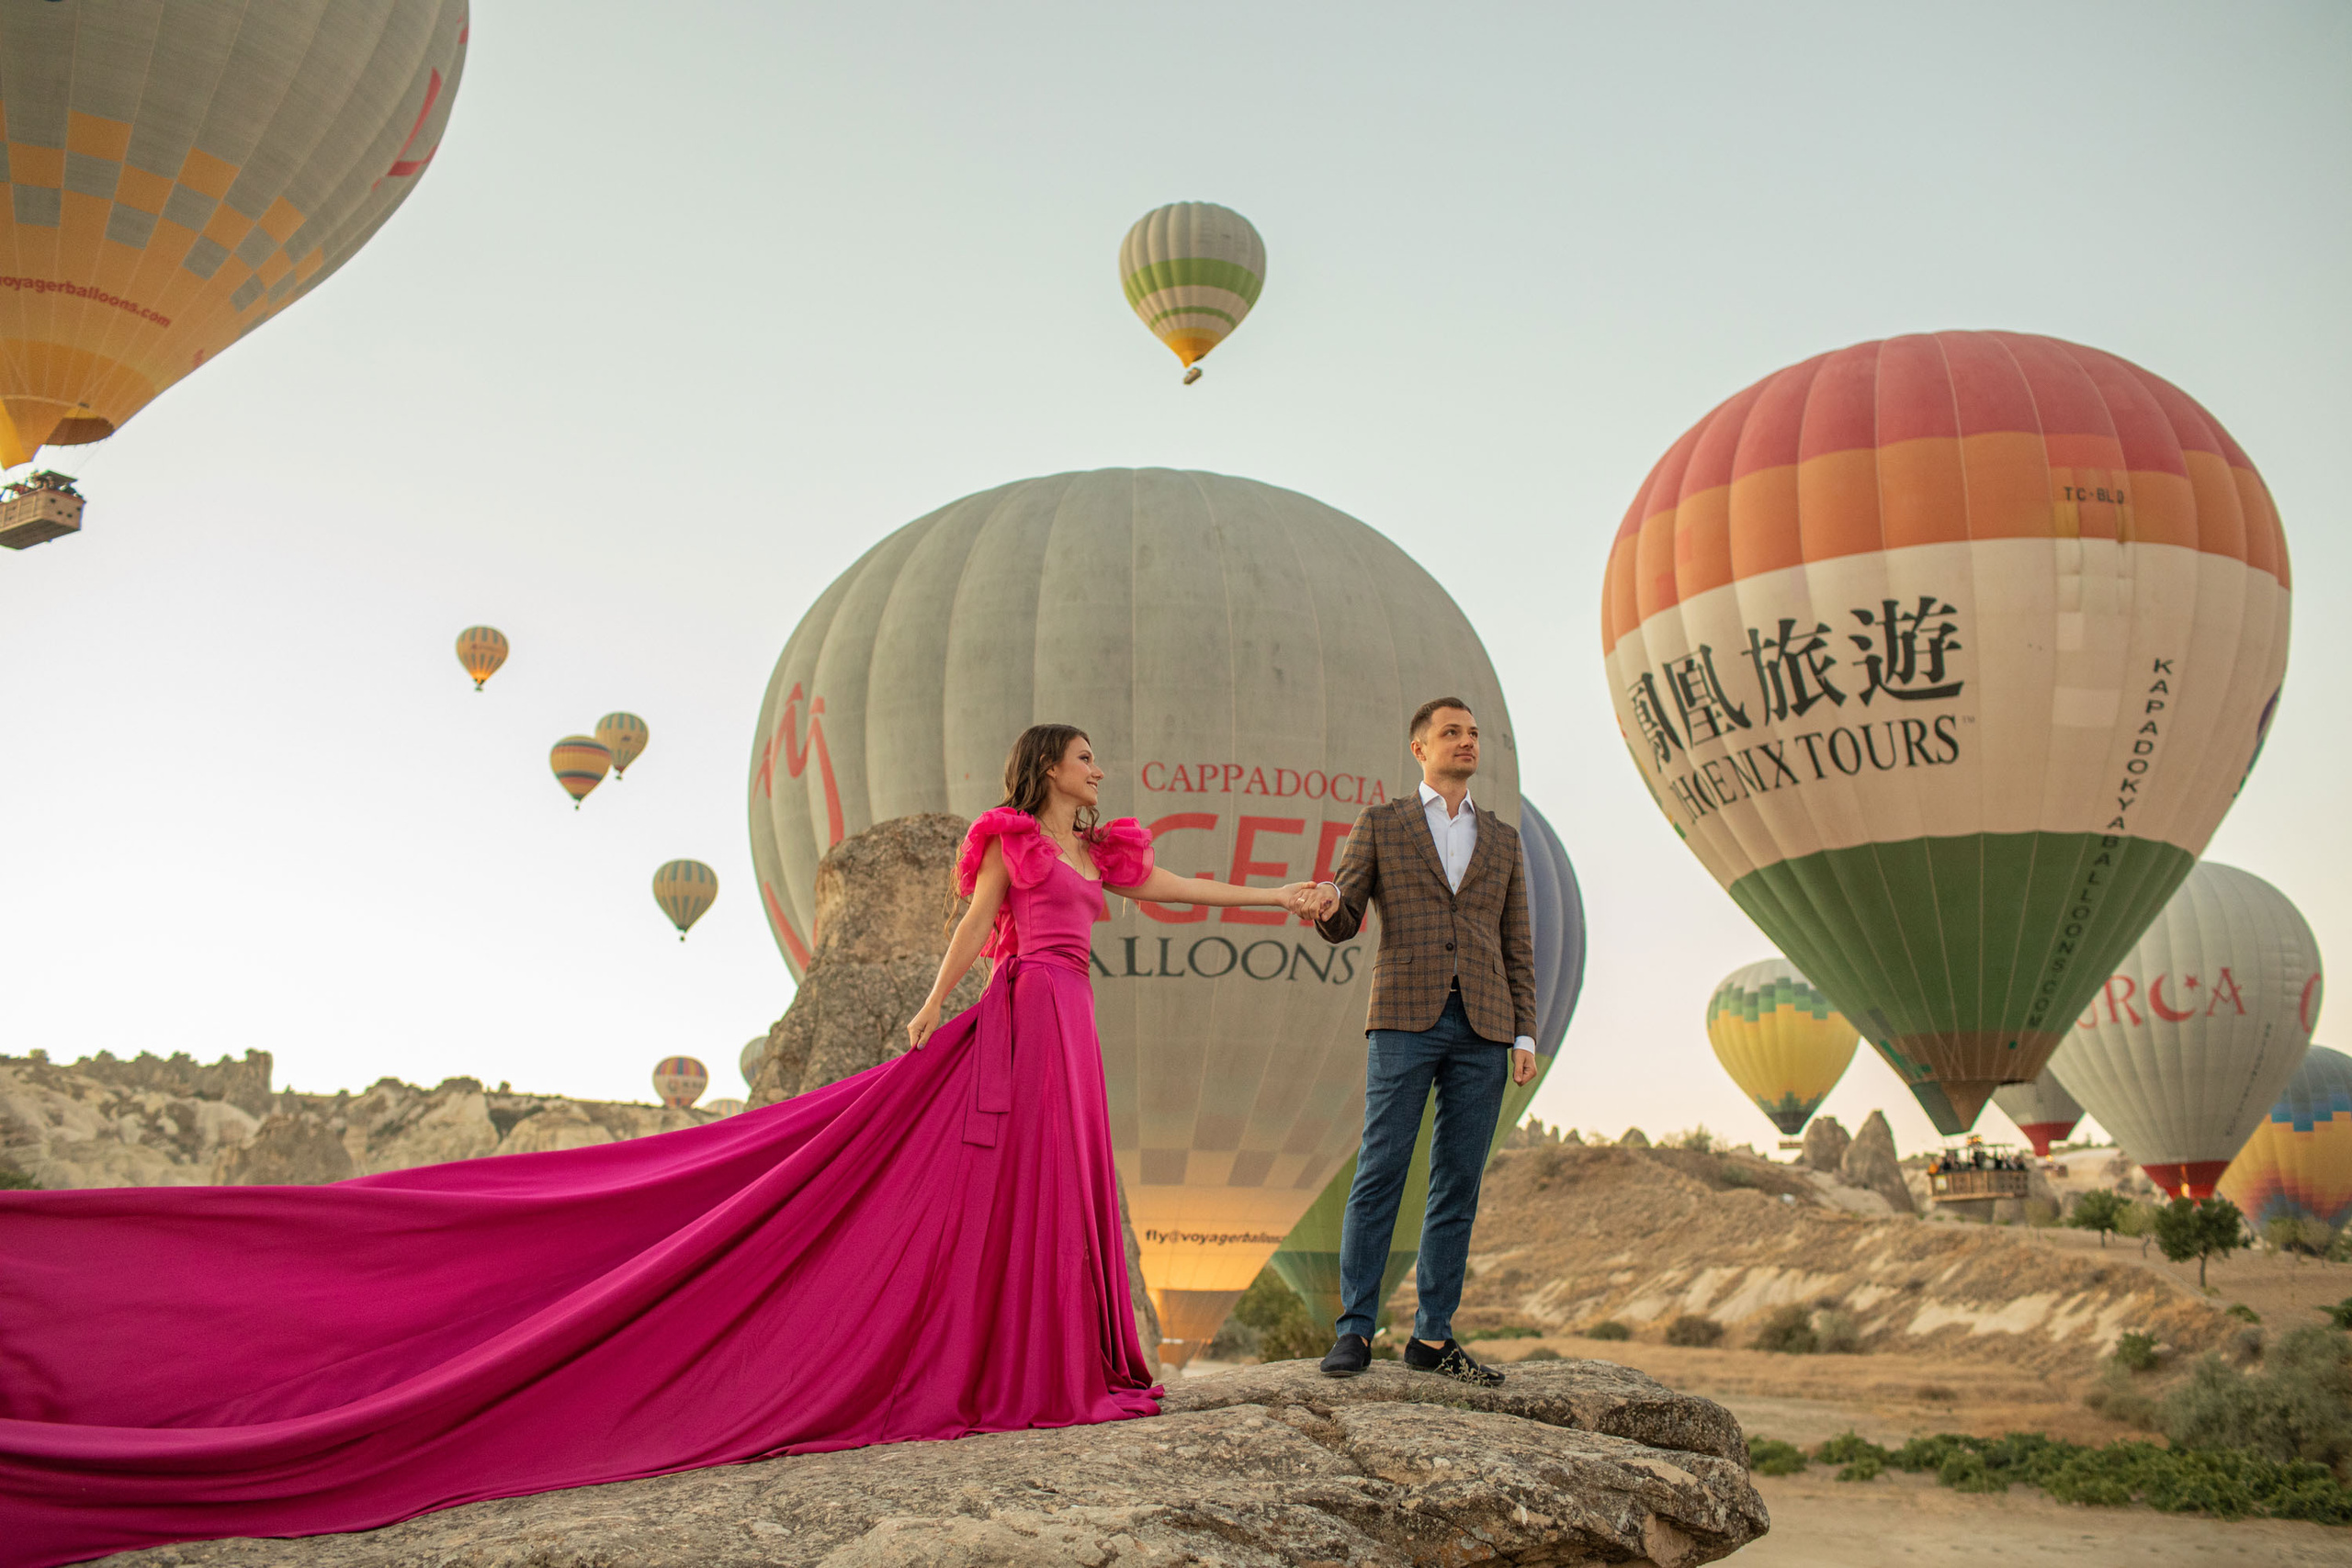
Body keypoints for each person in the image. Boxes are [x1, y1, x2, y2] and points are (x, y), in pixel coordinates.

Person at [0, 724, 1315, 1568]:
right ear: (1047, 768)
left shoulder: (1106, 852)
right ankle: (1021, 1359)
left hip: (1081, 1025)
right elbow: (973, 932)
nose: (1104, 767)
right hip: (1026, 1015)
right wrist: (926, 1016)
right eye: (1088, 755)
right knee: (1003, 1186)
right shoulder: (1015, 843)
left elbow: (1185, 891)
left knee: (1066, 1183)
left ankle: (1067, 1349)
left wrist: (1289, 896)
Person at [1304, 697, 1540, 1386]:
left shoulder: (1502, 838)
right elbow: (1345, 915)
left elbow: (1515, 941)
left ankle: (1433, 1336)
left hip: (1486, 1025)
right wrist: (1326, 907)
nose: (1466, 741)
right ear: (1419, 748)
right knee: (1382, 1168)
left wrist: (1525, 1029)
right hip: (1405, 1015)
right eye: (1451, 732)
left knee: (1458, 1180)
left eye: (1472, 733)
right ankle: (1355, 1329)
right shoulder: (1381, 823)